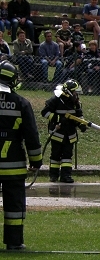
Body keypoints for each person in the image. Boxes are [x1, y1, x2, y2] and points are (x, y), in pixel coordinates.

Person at [0, 61, 42, 250]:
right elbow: (31, 135)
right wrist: (36, 161)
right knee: (14, 207)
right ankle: (14, 242)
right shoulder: (21, 103)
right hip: (13, 166)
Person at [41, 79, 86, 183]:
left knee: (67, 156)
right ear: (69, 91)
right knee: (55, 155)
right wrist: (59, 119)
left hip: (70, 134)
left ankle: (66, 176)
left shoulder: (75, 102)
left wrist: (81, 124)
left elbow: (79, 115)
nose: (76, 94)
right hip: (57, 133)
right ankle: (53, 176)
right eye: (75, 92)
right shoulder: (56, 99)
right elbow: (45, 113)